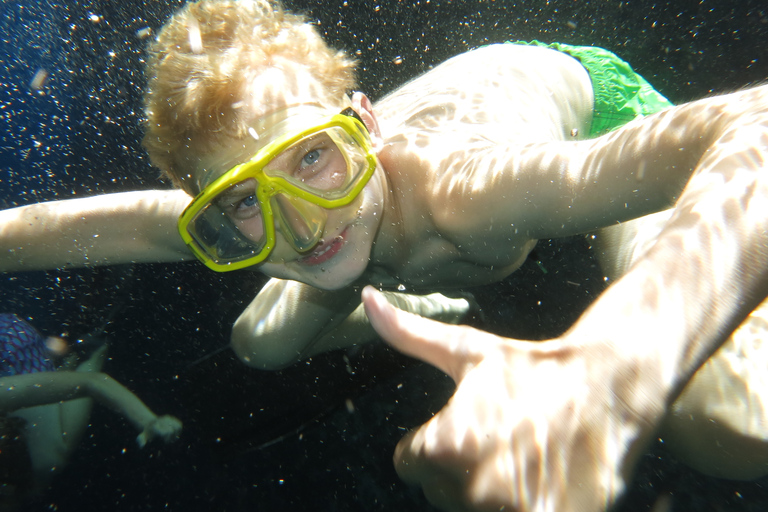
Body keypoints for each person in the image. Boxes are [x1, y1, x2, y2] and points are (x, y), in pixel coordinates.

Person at [0, 0, 767, 509]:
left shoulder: (468, 193)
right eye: (243, 197)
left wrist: (612, 375)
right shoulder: (247, 222)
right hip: (394, 184)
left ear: (366, 128)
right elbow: (47, 231)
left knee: (726, 427)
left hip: (589, 105)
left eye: (309, 160)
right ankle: (405, 304)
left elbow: (755, 125)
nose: (302, 228)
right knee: (258, 343)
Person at [0, 314, 182, 509]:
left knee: (47, 460)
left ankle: (79, 354)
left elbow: (92, 382)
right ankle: (72, 361)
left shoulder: (43, 457)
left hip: (13, 349)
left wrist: (147, 419)